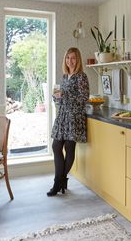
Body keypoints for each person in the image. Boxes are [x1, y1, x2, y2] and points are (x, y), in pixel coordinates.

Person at [47, 47, 90, 196]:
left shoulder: (81, 76)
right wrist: (56, 96)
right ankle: (61, 180)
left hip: (74, 116)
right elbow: (60, 98)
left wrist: (65, 95)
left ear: (77, 60)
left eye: (73, 58)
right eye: (67, 58)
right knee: (56, 146)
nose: (70, 61)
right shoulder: (65, 76)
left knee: (69, 149)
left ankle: (57, 182)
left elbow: (84, 98)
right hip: (63, 115)